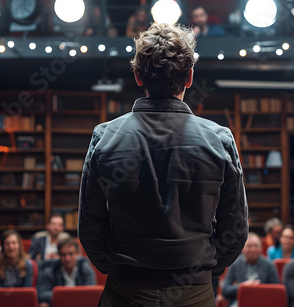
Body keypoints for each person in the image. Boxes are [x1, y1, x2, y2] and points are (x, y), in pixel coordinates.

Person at [78, 22, 248, 307]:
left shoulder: (104, 137)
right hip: (194, 293)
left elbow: (89, 228)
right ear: (190, 76)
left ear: (138, 77)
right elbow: (237, 229)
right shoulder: (219, 140)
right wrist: (205, 268)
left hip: (125, 292)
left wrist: (119, 268)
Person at [222, 233, 279, 307]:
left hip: (262, 301)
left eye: (256, 246)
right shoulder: (235, 264)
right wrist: (243, 286)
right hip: (239, 301)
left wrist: (259, 288)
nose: (253, 249)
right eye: (249, 246)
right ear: (243, 248)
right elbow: (225, 290)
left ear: (261, 247)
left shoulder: (268, 264)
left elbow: (276, 290)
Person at [38, 237, 96, 307]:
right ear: (59, 255)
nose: (67, 258)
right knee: (44, 304)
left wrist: (69, 296)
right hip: (59, 304)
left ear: (78, 254)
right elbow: (42, 293)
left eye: (71, 254)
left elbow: (91, 291)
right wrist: (66, 296)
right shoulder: (51, 269)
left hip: (80, 304)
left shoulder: (85, 267)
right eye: (63, 254)